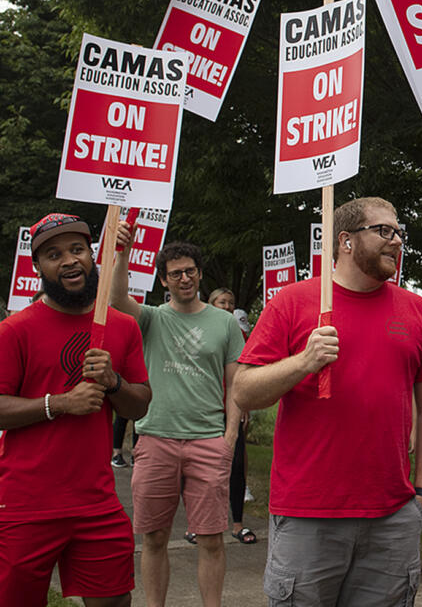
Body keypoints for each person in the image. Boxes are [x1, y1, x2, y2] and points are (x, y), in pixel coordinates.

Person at [233, 197, 422, 607]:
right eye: (384, 231)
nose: (396, 241)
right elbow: (244, 391)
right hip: (307, 516)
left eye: (399, 232)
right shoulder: (293, 302)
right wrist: (303, 362)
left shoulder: (418, 312)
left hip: (392, 517)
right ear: (346, 241)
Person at [0, 213, 152, 607]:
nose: (69, 260)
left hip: (96, 501)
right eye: (54, 254)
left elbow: (140, 403)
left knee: (115, 600)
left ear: (92, 255)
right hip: (26, 503)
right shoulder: (15, 330)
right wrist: (59, 404)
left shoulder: (122, 327)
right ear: (37, 267)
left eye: (77, 249)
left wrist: (113, 382)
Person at [110, 226, 245, 607]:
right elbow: (119, 298)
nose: (184, 278)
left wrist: (229, 437)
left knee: (211, 538)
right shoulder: (152, 318)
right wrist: (124, 250)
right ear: (163, 279)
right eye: (175, 273)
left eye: (190, 271)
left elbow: (236, 383)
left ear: (200, 273)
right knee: (153, 537)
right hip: (155, 440)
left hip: (208, 441)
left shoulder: (225, 323)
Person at [207, 286, 257, 546]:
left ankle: (237, 523)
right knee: (205, 469)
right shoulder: (202, 331)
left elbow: (243, 375)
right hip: (205, 411)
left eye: (230, 303)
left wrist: (244, 406)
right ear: (211, 304)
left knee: (236, 465)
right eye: (221, 302)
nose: (227, 307)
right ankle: (200, 525)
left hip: (233, 408)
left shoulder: (238, 334)